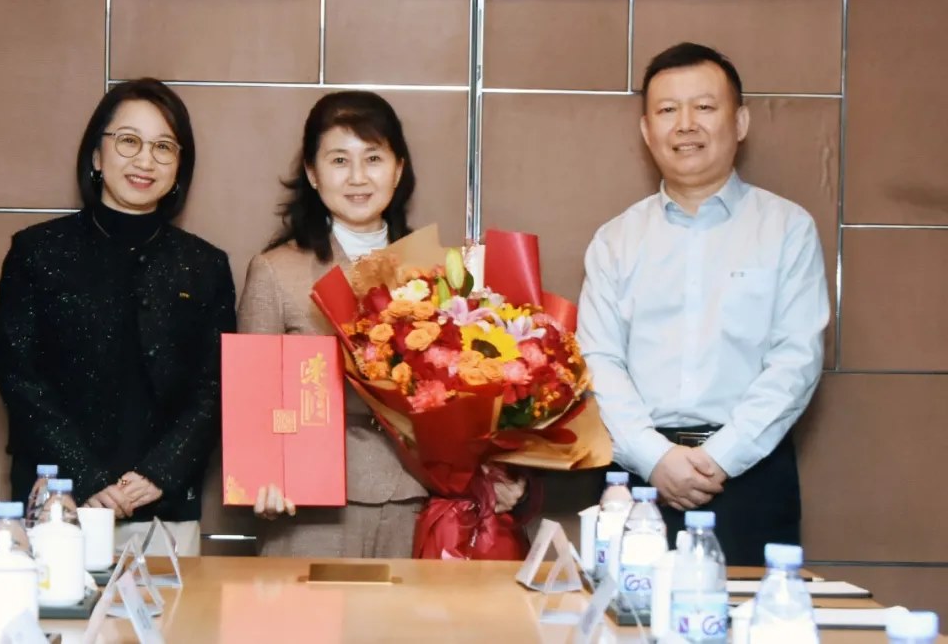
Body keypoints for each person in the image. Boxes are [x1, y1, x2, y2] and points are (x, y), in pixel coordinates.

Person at [238, 90, 523, 557]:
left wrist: (493, 469)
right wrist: (260, 478)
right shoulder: (276, 271)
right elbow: (253, 398)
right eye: (339, 160)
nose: (357, 177)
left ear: (398, 169)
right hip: (309, 505)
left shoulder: (439, 272)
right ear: (312, 173)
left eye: (373, 158)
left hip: (419, 499)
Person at [576, 42, 829, 565]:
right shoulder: (615, 240)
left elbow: (796, 360)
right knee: (624, 611)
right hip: (635, 481)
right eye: (668, 110)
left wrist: (720, 457)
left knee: (749, 611)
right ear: (647, 130)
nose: (685, 125)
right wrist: (656, 457)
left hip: (750, 476)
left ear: (740, 122)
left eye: (705, 107)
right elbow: (598, 360)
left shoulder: (787, 229)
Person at [0, 78, 236, 556]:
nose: (145, 160)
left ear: (179, 166)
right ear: (97, 156)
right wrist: (88, 477)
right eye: (128, 141)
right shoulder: (37, 252)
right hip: (59, 505)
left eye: (163, 147)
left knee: (172, 608)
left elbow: (214, 386)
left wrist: (159, 473)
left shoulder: (205, 265)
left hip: (163, 507)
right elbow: (20, 380)